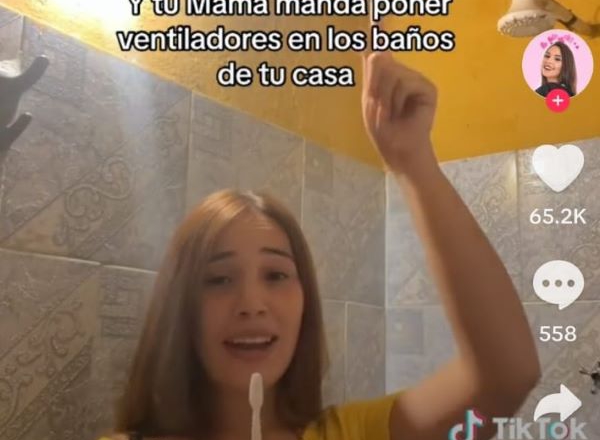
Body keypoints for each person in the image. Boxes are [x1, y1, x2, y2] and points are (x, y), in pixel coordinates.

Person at [99, 49, 541, 440]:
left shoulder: (353, 434)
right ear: (180, 307)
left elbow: (507, 374)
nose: (251, 304)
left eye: (276, 275)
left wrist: (413, 160)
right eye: (218, 279)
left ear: (305, 301)